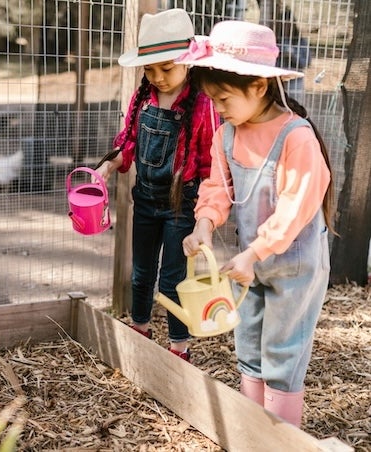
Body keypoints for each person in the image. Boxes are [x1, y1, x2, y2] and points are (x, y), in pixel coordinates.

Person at [179, 20, 335, 426]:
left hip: (293, 265)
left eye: (225, 98)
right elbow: (216, 187)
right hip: (251, 264)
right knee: (247, 342)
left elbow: (294, 209)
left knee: (283, 350)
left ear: (260, 87)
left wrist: (255, 252)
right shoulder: (227, 135)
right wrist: (204, 226)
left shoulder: (296, 137)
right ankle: (253, 429)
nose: (219, 109)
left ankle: (281, 436)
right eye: (213, 101)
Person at [95, 8, 219, 362]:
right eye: (150, 69)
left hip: (183, 206)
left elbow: (211, 164)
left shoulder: (201, 104)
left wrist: (204, 218)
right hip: (146, 200)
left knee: (173, 281)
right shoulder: (144, 97)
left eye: (167, 68)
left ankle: (179, 348)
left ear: (187, 63)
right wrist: (109, 164)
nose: (158, 77)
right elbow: (129, 144)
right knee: (140, 274)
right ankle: (140, 329)